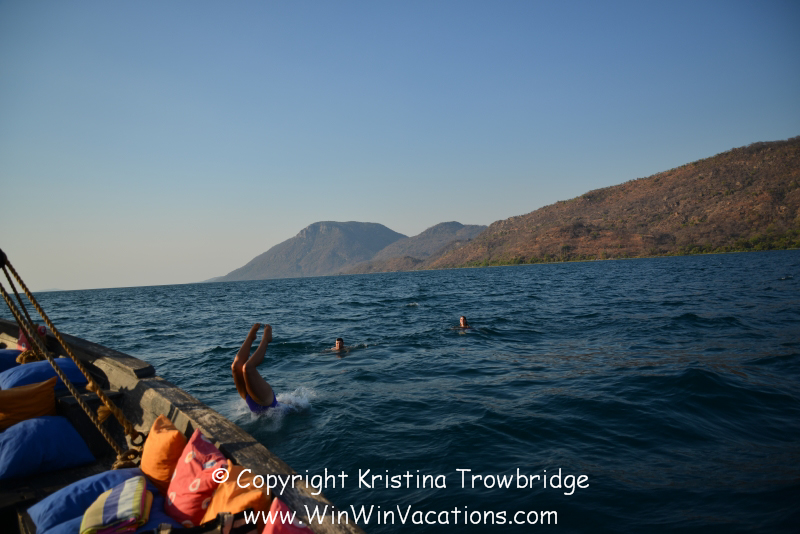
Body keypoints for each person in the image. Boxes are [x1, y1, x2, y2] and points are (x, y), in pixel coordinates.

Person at [231, 323, 279, 413]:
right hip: (267, 402)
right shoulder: (290, 407)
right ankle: (264, 340)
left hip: (252, 400)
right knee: (247, 368)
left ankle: (253, 338)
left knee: (236, 367)